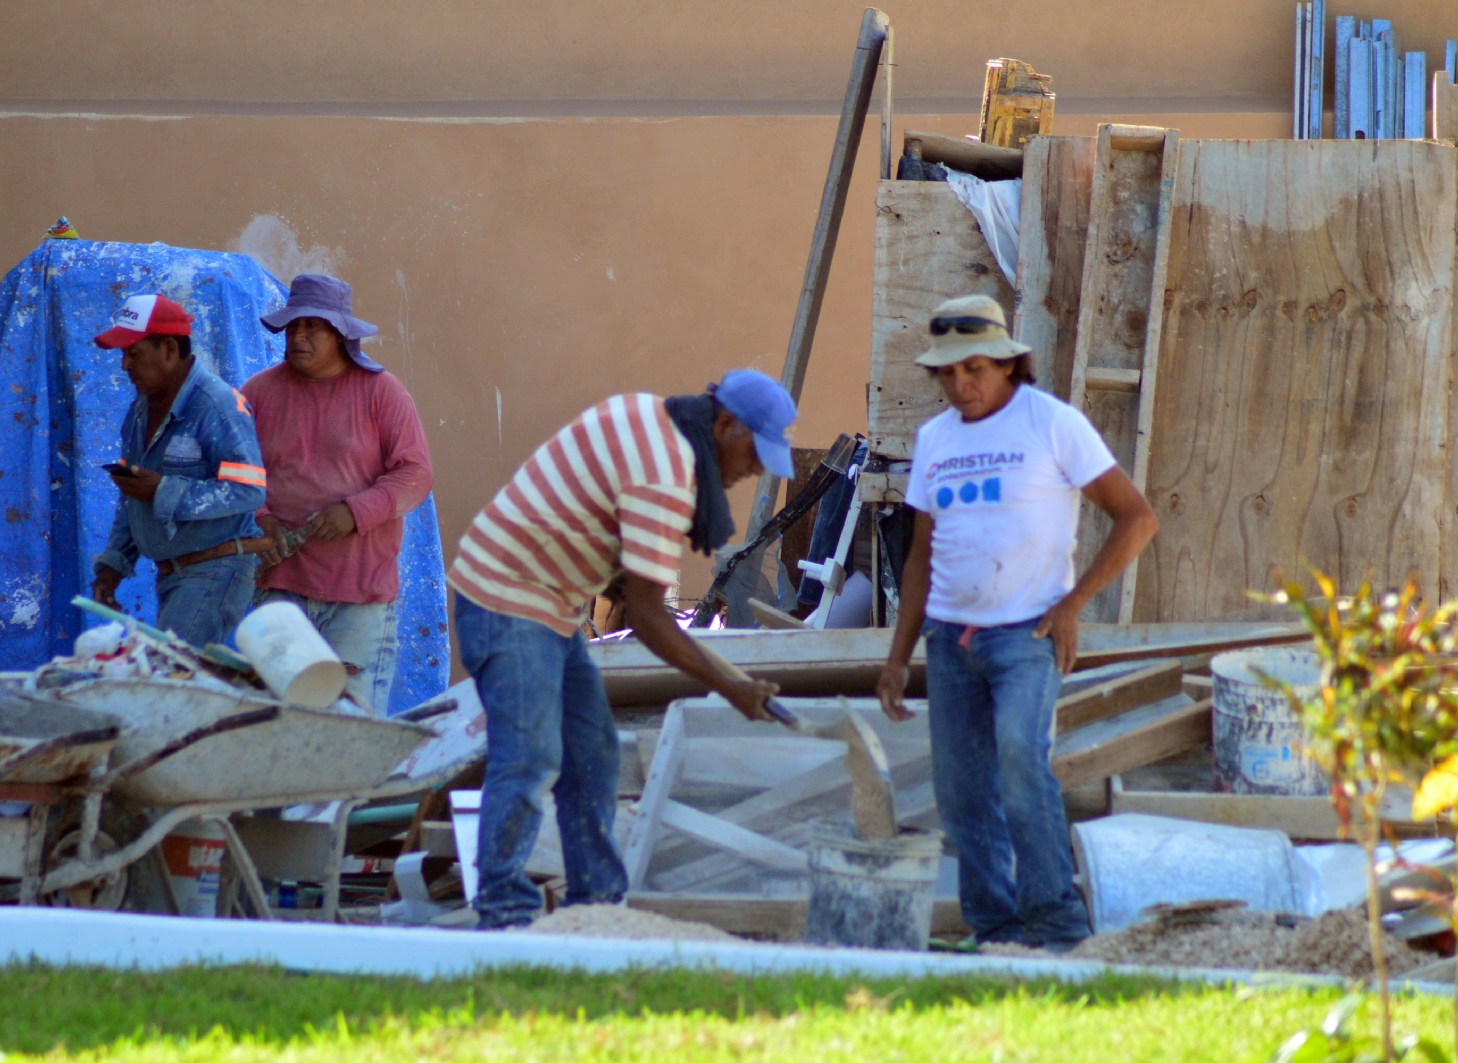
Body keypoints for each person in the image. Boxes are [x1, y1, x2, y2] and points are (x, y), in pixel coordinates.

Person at [448, 370, 797, 929]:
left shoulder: (651, 415)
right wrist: (730, 686)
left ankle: (597, 909)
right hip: (506, 599)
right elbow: (649, 618)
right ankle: (503, 915)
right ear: (726, 424)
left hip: (548, 604)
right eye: (756, 453)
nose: (756, 470)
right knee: (531, 755)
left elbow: (591, 514)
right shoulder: (667, 475)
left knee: (591, 755)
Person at [875, 294, 1160, 951]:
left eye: (973, 367)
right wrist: (898, 655)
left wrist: (1072, 603)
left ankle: (1057, 926)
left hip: (1027, 636)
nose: (959, 383)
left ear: (1007, 363)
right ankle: (995, 929)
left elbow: (1136, 517)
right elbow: (921, 554)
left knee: (1021, 768)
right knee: (961, 792)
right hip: (950, 640)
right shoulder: (934, 438)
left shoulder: (1051, 423)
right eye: (945, 373)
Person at [242, 275, 433, 716]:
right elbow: (232, 472)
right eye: (293, 327)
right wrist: (261, 516)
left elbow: (416, 475)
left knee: (353, 722)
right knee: (275, 719)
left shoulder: (383, 393)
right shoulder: (257, 393)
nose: (299, 336)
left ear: (342, 335)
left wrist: (357, 511)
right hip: (278, 591)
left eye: (313, 327)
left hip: (359, 596)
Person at [91, 293, 269, 648]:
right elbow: (132, 495)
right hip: (174, 574)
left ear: (169, 350)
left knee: (170, 674)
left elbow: (249, 491)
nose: (124, 365)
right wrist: (114, 564)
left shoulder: (217, 406)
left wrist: (163, 490)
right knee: (175, 680)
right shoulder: (140, 410)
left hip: (215, 571)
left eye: (133, 353)